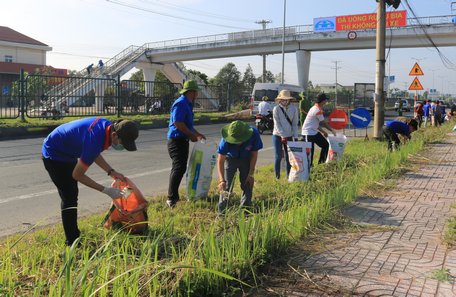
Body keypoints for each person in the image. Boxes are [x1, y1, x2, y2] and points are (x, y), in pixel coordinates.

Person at [42, 118, 139, 246]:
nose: (122, 146)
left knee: (71, 195)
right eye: (123, 143)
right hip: (54, 154)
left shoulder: (107, 128)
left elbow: (93, 152)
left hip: (67, 151)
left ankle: (73, 237)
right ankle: (72, 242)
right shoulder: (96, 138)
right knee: (69, 198)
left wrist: (111, 171)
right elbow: (77, 175)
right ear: (115, 135)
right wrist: (106, 190)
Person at [166, 80, 206, 208]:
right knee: (178, 168)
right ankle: (171, 199)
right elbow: (178, 123)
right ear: (192, 92)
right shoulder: (181, 103)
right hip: (176, 141)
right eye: (196, 91)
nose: (197, 94)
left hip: (182, 141)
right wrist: (191, 135)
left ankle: (174, 197)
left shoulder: (187, 104)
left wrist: (198, 134)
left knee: (181, 168)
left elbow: (188, 125)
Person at [217, 120, 263, 214]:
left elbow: (254, 155)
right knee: (226, 185)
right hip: (230, 159)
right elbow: (220, 161)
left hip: (246, 158)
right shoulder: (225, 139)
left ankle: (245, 210)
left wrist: (251, 174)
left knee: (247, 182)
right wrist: (221, 180)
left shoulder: (253, 134)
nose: (237, 143)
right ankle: (222, 212)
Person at [301, 93, 336, 166]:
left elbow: (315, 124)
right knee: (310, 152)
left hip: (314, 132)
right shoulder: (316, 110)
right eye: (326, 100)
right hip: (308, 133)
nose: (326, 102)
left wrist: (323, 132)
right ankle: (309, 169)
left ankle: (321, 164)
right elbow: (324, 123)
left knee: (325, 145)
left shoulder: (316, 108)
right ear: (323, 101)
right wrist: (332, 130)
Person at [272, 90, 299, 179]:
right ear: (280, 100)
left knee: (289, 157)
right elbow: (277, 124)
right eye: (282, 99)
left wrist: (295, 137)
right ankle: (277, 177)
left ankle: (288, 176)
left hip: (289, 135)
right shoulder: (276, 109)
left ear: (289, 100)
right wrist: (282, 136)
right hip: (277, 135)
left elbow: (295, 124)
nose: (284, 101)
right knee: (278, 156)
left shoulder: (294, 109)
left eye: (286, 99)